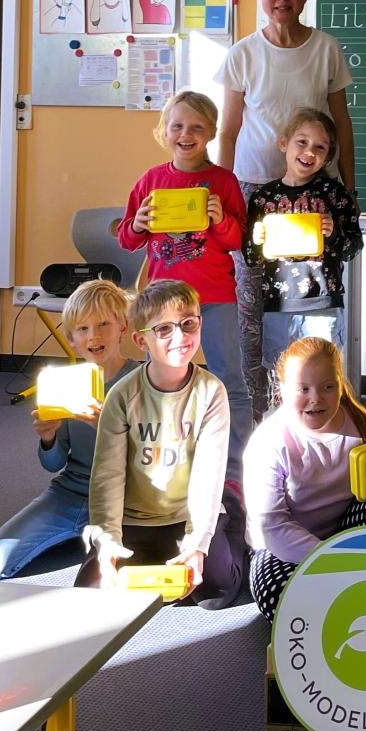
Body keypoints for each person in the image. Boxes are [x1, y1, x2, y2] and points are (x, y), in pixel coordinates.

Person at [217, 0, 356, 416]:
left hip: (316, 195)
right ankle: (261, 413)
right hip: (256, 193)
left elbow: (342, 123)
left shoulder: (325, 49)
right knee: (253, 311)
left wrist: (349, 190)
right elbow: (229, 130)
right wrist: (225, 193)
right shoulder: (243, 53)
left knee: (311, 301)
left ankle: (318, 410)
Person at [79, 280, 248, 609]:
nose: (180, 338)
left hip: (187, 515)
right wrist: (108, 540)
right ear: (141, 339)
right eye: (164, 329)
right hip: (136, 519)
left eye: (188, 324)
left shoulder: (211, 391)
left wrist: (198, 544)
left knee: (216, 594)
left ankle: (235, 529)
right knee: (92, 591)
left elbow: (207, 473)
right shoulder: (123, 395)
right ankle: (147, 555)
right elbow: (107, 477)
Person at [244, 337, 366, 621]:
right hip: (283, 549)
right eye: (303, 389)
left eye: (327, 387)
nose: (315, 399)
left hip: (344, 533)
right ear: (283, 391)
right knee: (285, 597)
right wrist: (338, 561)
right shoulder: (270, 442)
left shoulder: (362, 426)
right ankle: (353, 616)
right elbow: (273, 527)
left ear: (339, 384)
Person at [118, 90, 251, 492]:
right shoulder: (151, 180)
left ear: (212, 131)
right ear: (165, 131)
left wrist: (220, 218)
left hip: (214, 297)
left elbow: (236, 240)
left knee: (230, 378)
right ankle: (162, 461)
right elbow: (127, 238)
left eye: (196, 127)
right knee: (163, 380)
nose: (186, 134)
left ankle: (234, 471)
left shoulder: (223, 181)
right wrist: (139, 224)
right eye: (177, 126)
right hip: (163, 304)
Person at [0, 281, 136, 579]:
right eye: (82, 329)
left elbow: (152, 460)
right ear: (71, 338)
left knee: (109, 578)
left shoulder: (140, 382)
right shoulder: (68, 384)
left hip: (126, 496)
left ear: (123, 326)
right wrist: (48, 437)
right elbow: (54, 463)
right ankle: (82, 539)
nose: (93, 336)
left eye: (103, 324)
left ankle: (91, 543)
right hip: (70, 492)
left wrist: (108, 429)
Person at [243, 108, 362, 388]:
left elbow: (353, 246)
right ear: (284, 143)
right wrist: (256, 241)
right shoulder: (263, 198)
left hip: (322, 304)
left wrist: (333, 234)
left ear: (327, 157)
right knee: (280, 380)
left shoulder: (334, 195)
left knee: (323, 380)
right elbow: (250, 258)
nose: (310, 151)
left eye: (320, 147)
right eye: (302, 142)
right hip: (277, 306)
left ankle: (322, 431)